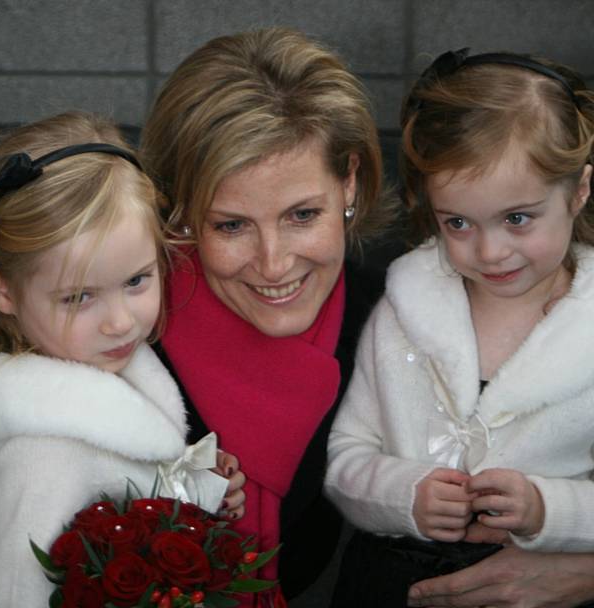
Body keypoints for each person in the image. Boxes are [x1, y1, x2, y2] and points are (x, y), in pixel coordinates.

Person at [325, 48, 594, 607]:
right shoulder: (404, 307)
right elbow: (347, 454)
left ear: (579, 190)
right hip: (389, 579)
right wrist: (406, 495)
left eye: (518, 218)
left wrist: (549, 508)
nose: (491, 251)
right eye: (459, 222)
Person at [140, 27, 395, 604]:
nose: (274, 264)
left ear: (349, 181)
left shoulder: (399, 321)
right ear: (179, 209)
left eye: (302, 214)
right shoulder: (121, 333)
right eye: (231, 225)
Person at [0, 111, 245, 608]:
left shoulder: (110, 369)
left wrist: (196, 493)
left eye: (136, 281)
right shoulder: (41, 458)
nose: (120, 322)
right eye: (78, 298)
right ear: (0, 288)